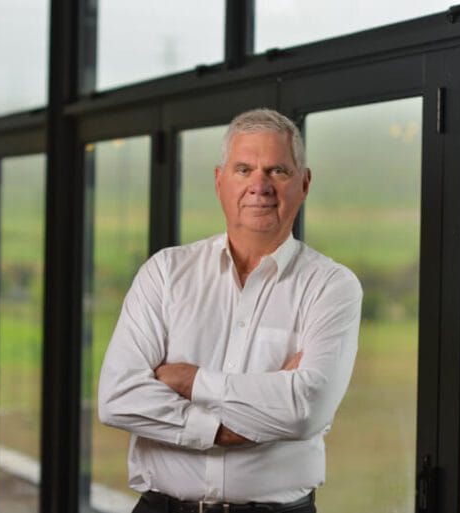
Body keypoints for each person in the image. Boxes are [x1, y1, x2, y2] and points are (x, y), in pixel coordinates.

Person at [98, 108, 362, 513]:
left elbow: (307, 408)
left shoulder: (331, 286)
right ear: (219, 181)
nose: (260, 186)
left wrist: (192, 382)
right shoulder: (165, 272)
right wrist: (226, 430)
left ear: (304, 183)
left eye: (277, 171)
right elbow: (118, 396)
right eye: (244, 169)